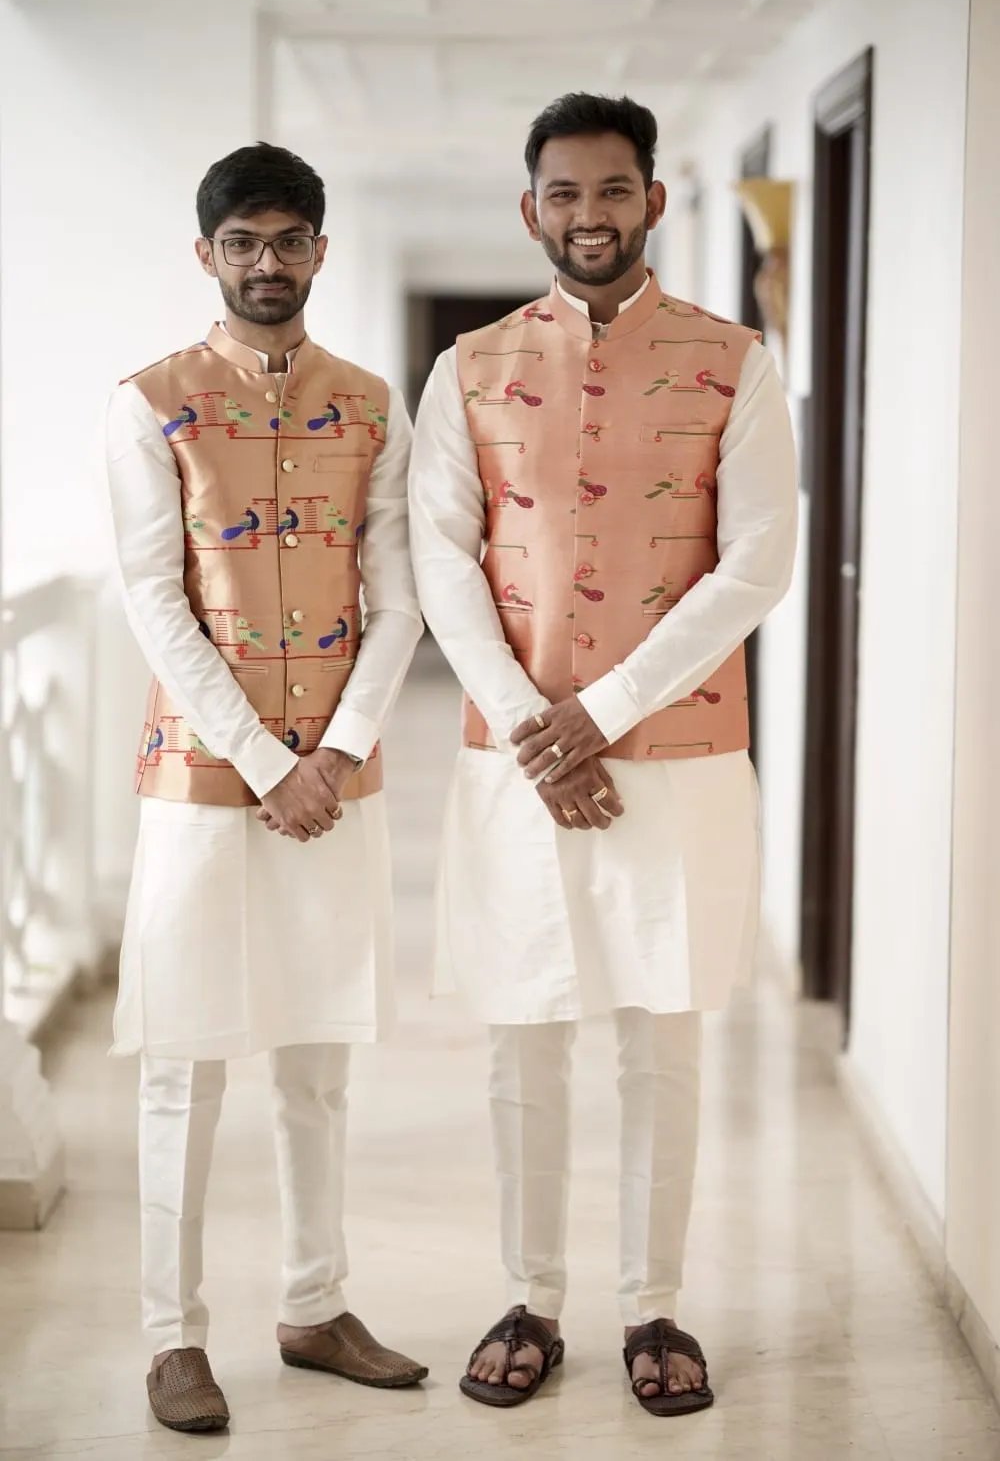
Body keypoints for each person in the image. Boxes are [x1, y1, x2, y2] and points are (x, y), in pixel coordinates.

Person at [409, 93, 797, 1418]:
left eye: (613, 189)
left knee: (661, 1039)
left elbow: (757, 562)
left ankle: (652, 1307)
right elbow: (441, 559)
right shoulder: (467, 368)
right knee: (525, 1037)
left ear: (654, 201)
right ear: (532, 210)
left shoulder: (736, 362)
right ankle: (531, 1298)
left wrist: (607, 708)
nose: (590, 215)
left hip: (680, 755)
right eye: (565, 193)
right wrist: (540, 724)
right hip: (516, 760)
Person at [105, 142, 426, 1434]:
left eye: (289, 240)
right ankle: (172, 1339)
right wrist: (267, 766)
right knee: (183, 1061)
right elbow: (155, 601)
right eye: (242, 242)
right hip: (200, 779)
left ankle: (313, 1305)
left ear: (320, 251)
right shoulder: (150, 403)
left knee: (318, 1057)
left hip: (336, 782)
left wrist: (334, 756)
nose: (267, 263)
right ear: (208, 255)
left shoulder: (371, 404)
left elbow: (399, 598)